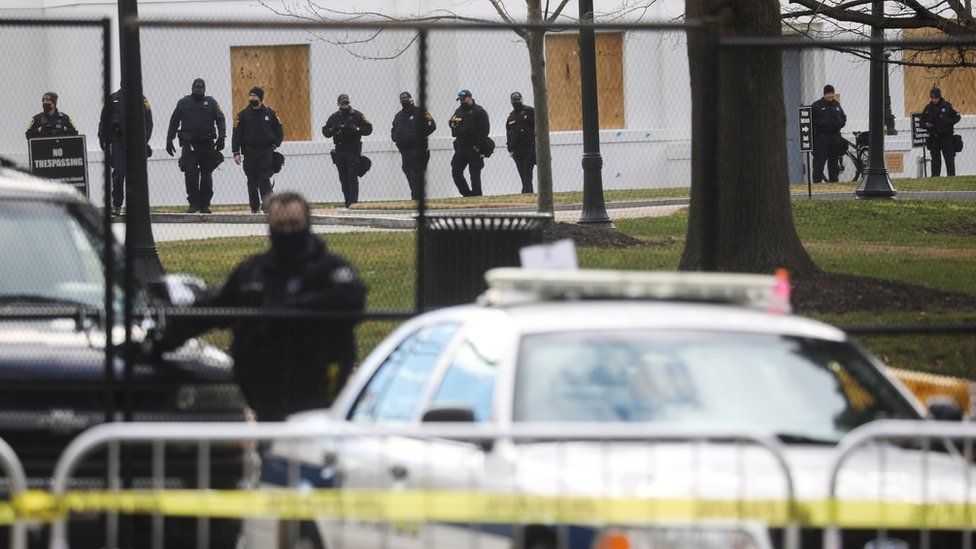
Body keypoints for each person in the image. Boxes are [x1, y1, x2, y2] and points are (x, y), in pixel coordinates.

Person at [148, 192, 367, 421]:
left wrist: (286, 309)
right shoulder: (253, 272)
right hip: (265, 391)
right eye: (281, 225)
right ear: (270, 227)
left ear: (307, 224)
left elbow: (351, 300)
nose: (288, 232)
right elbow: (212, 309)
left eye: (294, 224)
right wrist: (159, 341)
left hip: (318, 387)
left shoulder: (331, 269)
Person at [165, 78, 227, 214]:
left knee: (206, 175)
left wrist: (222, 137)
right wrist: (169, 139)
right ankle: (194, 203)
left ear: (205, 89)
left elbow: (221, 120)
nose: (198, 90)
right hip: (189, 145)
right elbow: (174, 121)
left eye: (201, 87)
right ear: (191, 88)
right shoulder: (183, 103)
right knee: (190, 174)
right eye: (196, 87)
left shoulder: (211, 103)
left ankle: (205, 204)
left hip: (207, 144)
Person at [97, 89, 154, 216]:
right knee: (119, 172)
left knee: (137, 175)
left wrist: (144, 141)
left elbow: (149, 121)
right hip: (118, 142)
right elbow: (104, 120)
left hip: (135, 143)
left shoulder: (141, 98)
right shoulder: (113, 98)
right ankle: (117, 205)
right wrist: (102, 138)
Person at [232, 87, 284, 214]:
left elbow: (279, 132)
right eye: (250, 95)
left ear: (260, 98)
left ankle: (268, 206)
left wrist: (274, 146)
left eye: (254, 96)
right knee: (251, 179)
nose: (252, 98)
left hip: (266, 151)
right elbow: (236, 135)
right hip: (249, 152)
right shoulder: (242, 115)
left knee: (263, 177)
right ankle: (254, 207)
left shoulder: (270, 114)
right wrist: (236, 153)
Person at [322, 94, 373, 208]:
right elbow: (325, 132)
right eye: (342, 103)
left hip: (353, 150)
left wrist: (356, 129)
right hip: (340, 151)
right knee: (343, 178)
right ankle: (347, 203)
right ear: (338, 104)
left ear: (349, 103)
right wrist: (333, 129)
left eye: (346, 103)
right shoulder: (334, 117)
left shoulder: (357, 115)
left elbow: (369, 129)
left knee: (352, 178)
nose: (345, 105)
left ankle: (353, 204)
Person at [391, 91, 436, 200]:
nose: (405, 102)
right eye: (403, 101)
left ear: (411, 100)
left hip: (419, 150)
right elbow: (393, 130)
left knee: (417, 174)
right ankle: (415, 195)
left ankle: (417, 198)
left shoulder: (420, 112)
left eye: (406, 100)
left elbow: (432, 125)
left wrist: (419, 135)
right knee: (408, 172)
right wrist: (396, 138)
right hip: (405, 151)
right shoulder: (398, 116)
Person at [449, 89, 490, 197]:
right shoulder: (459, 111)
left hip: (473, 148)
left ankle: (477, 196)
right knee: (456, 171)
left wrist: (477, 146)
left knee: (474, 174)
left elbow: (485, 130)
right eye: (460, 100)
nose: (462, 102)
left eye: (464, 99)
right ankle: (467, 195)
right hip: (461, 148)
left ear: (470, 98)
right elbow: (451, 122)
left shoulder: (479, 111)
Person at [922, 87, 962, 177]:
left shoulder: (946, 106)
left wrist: (949, 123)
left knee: (949, 159)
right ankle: (935, 178)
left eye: (936, 98)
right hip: (934, 137)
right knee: (935, 160)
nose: (934, 100)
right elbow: (921, 122)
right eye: (932, 98)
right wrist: (926, 124)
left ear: (939, 97)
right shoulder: (928, 108)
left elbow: (957, 117)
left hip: (946, 137)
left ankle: (951, 177)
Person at [811, 84, 846, 183]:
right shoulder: (817, 105)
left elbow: (843, 117)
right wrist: (822, 124)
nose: (830, 95)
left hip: (835, 136)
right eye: (828, 93)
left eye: (832, 93)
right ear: (824, 94)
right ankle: (817, 182)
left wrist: (840, 124)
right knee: (819, 161)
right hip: (822, 137)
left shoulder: (836, 105)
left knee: (834, 161)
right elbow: (812, 120)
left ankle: (834, 181)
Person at [505, 91, 535, 194]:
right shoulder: (511, 116)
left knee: (527, 172)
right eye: (514, 100)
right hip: (517, 150)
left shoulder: (529, 111)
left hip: (529, 148)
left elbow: (540, 124)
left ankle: (527, 193)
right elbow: (509, 134)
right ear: (511, 102)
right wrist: (510, 149)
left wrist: (529, 120)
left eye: (518, 99)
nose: (516, 102)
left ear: (522, 100)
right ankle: (527, 192)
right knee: (522, 173)